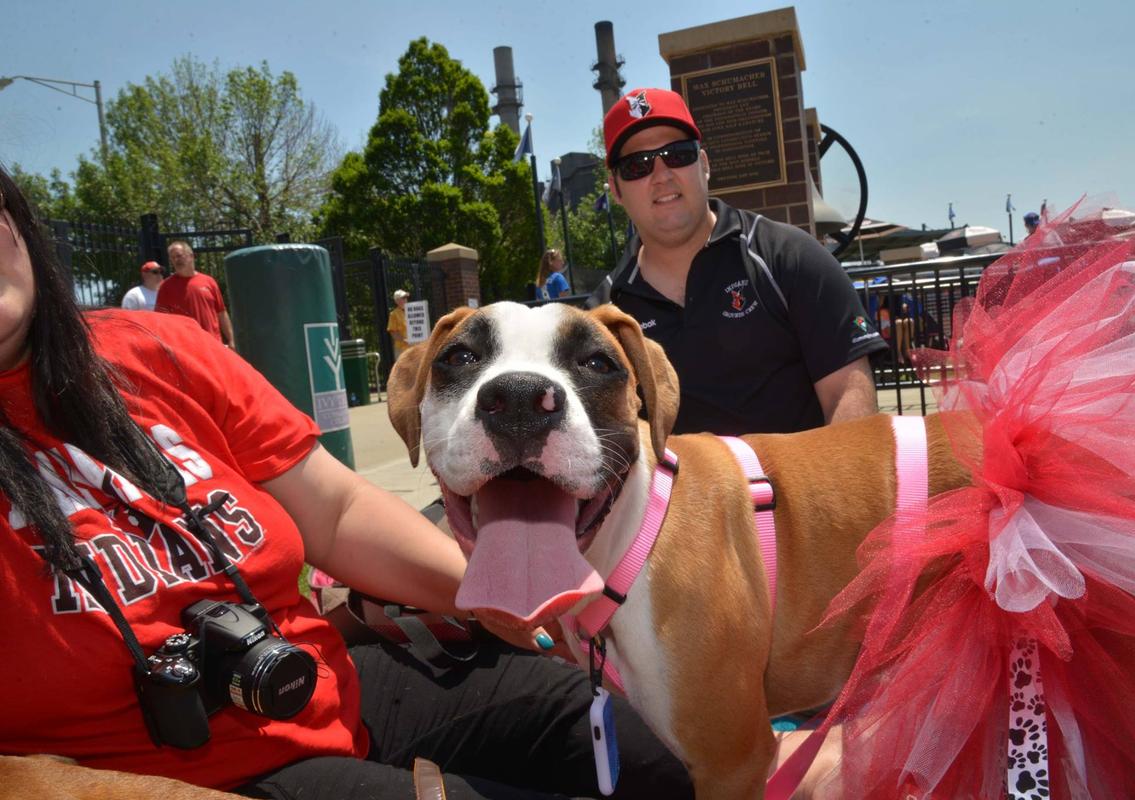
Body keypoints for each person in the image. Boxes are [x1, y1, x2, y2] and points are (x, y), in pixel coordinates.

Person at [0, 164, 692, 800]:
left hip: (317, 687)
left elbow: (332, 512)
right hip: (170, 777)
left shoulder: (155, 348)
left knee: (641, 757)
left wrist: (499, 595)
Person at [587, 87, 887, 436]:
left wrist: (838, 488)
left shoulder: (790, 257)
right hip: (681, 493)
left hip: (802, 489)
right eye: (637, 166)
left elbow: (848, 395)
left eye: (678, 155)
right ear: (616, 190)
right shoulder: (606, 313)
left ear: (703, 165)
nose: (662, 175)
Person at [154, 240, 235, 347]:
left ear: (191, 256)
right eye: (172, 258)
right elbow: (161, 320)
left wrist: (231, 339)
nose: (176, 260)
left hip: (213, 344)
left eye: (179, 256)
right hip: (186, 347)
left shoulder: (209, 281)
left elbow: (221, 312)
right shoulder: (166, 287)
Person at [387, 288, 410, 358]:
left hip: (413, 347)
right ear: (397, 301)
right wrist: (405, 340)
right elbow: (393, 333)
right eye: (403, 298)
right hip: (401, 349)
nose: (405, 299)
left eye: (406, 297)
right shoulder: (394, 314)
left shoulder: (411, 311)